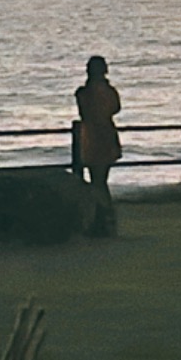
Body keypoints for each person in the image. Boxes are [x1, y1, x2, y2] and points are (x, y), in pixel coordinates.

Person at [75, 55, 121, 231]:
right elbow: (116, 108)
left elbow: (84, 112)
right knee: (100, 180)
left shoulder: (85, 93)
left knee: (97, 181)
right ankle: (104, 216)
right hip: (106, 135)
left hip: (93, 136)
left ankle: (102, 217)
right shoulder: (108, 91)